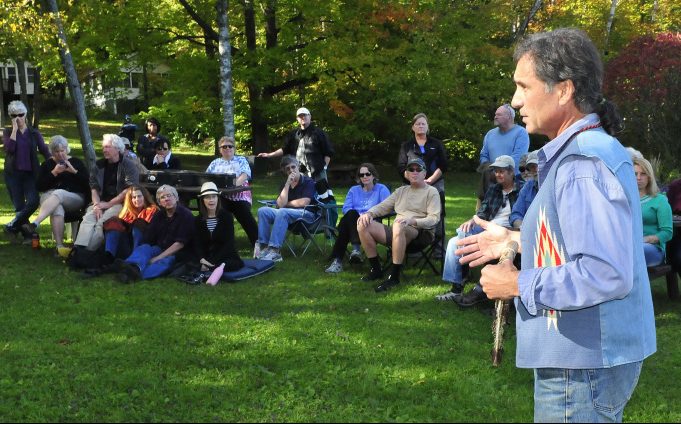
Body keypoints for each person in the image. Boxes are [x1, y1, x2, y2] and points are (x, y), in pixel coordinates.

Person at [456, 28, 655, 422]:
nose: (515, 101)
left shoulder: (582, 163)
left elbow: (606, 272)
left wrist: (517, 284)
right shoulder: (584, 154)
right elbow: (577, 240)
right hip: (582, 360)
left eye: (523, 87)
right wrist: (515, 239)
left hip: (580, 368)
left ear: (563, 90)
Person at [436, 155, 521, 304]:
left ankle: (459, 288)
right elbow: (483, 211)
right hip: (489, 227)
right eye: (496, 171)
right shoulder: (494, 189)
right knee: (456, 241)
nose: (497, 174)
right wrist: (472, 220)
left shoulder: (522, 189)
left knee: (461, 240)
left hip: (508, 232)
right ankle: (457, 287)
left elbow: (522, 216)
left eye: (501, 171)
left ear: (511, 172)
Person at [356, 157, 440, 292]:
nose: (414, 172)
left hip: (420, 232)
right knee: (363, 223)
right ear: (406, 174)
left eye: (418, 169)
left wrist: (412, 221)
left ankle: (394, 277)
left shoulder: (431, 192)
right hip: (398, 231)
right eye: (411, 169)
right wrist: (369, 214)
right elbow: (383, 206)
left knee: (399, 225)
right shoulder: (401, 191)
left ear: (424, 174)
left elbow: (434, 218)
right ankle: (376, 270)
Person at [115, 185, 194, 282]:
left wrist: (157, 258)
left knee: (164, 262)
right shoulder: (158, 215)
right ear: (159, 202)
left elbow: (179, 244)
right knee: (144, 248)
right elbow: (149, 237)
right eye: (162, 197)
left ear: (176, 197)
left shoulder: (186, 215)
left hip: (177, 253)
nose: (166, 199)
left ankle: (134, 274)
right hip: (159, 248)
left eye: (169, 195)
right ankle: (132, 267)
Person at [23, 136, 90, 251]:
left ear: (66, 149)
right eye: (56, 152)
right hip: (49, 196)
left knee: (59, 193)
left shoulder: (76, 162)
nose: (60, 154)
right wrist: (54, 173)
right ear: (52, 152)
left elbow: (88, 183)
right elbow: (39, 186)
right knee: (57, 208)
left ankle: (36, 222)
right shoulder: (47, 165)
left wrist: (74, 171)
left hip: (74, 197)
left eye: (62, 151)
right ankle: (60, 247)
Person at [74, 134, 140, 252]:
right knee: (88, 219)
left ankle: (87, 252)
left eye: (108, 147)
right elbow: (93, 188)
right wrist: (96, 205)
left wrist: (109, 204)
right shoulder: (99, 165)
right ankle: (78, 249)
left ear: (117, 149)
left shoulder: (128, 165)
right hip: (99, 202)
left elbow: (129, 189)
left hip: (120, 203)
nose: (104, 150)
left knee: (101, 223)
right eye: (104, 147)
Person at [325, 163, 390, 273]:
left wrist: (367, 216)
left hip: (371, 223)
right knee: (351, 214)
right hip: (352, 221)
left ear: (373, 175)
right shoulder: (354, 190)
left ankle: (338, 260)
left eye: (367, 174)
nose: (364, 177)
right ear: (359, 177)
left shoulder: (381, 189)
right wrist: (359, 217)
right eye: (361, 175)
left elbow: (388, 207)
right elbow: (346, 208)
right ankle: (355, 251)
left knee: (347, 225)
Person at [397, 113, 448, 253]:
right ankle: (411, 248)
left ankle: (438, 251)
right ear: (413, 127)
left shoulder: (436, 144)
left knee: (438, 214)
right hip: (411, 185)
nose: (420, 126)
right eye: (418, 124)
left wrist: (430, 180)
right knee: (411, 213)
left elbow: (443, 165)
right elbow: (401, 167)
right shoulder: (406, 146)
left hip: (434, 183)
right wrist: (415, 180)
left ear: (427, 127)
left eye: (423, 124)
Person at [2, 100, 51, 241]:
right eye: (14, 115)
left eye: (21, 114)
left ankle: (12, 225)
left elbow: (45, 151)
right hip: (13, 175)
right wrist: (15, 130)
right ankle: (28, 236)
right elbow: (9, 149)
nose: (18, 118)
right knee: (19, 206)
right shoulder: (7, 131)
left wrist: (57, 162)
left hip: (30, 174)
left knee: (33, 201)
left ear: (26, 115)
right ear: (11, 117)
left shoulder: (34, 133)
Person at [255, 156, 317, 263]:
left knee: (283, 211)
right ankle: (264, 248)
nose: (291, 170)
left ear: (298, 166)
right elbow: (279, 204)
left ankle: (275, 251)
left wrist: (286, 205)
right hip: (286, 214)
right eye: (288, 169)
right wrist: (287, 184)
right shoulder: (285, 184)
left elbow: (304, 202)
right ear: (285, 171)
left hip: (307, 214)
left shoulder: (308, 182)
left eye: (293, 167)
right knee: (263, 211)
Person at [205, 136, 258, 247]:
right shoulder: (215, 163)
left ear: (234, 148)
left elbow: (244, 175)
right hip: (222, 196)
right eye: (224, 146)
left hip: (240, 194)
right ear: (220, 149)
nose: (227, 148)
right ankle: (223, 243)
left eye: (230, 146)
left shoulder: (241, 160)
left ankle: (258, 243)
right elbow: (207, 178)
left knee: (244, 213)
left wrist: (233, 186)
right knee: (220, 213)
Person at [192, 182, 244, 279]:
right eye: (207, 197)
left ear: (217, 198)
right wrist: (202, 259)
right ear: (202, 200)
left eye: (213, 197)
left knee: (231, 264)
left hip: (224, 255)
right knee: (188, 259)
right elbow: (197, 243)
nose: (211, 200)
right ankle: (207, 266)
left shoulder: (227, 217)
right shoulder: (198, 220)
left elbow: (229, 243)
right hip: (206, 255)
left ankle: (210, 267)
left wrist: (212, 261)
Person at [103, 185, 158, 263]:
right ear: (130, 199)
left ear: (145, 197)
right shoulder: (126, 212)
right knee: (114, 221)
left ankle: (134, 258)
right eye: (134, 197)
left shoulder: (153, 210)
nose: (137, 199)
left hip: (144, 247)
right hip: (126, 246)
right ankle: (108, 257)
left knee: (139, 222)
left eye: (139, 196)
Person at [634, 156, 672, 267]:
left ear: (650, 176)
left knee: (634, 252)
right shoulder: (625, 200)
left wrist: (646, 239)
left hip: (653, 249)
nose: (638, 178)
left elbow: (667, 233)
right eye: (635, 174)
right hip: (628, 246)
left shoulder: (660, 200)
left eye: (643, 174)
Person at [479, 103, 530, 177]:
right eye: (495, 114)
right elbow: (484, 155)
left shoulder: (521, 133)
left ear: (509, 117)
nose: (495, 117)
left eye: (499, 115)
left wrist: (498, 171)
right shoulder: (490, 134)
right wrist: (488, 168)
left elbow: (518, 157)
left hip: (513, 181)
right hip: (491, 180)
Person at [510, 150, 539, 229]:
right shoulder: (528, 186)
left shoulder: (555, 185)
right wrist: (523, 228)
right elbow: (516, 214)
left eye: (539, 165)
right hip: (527, 231)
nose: (536, 169)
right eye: (532, 167)